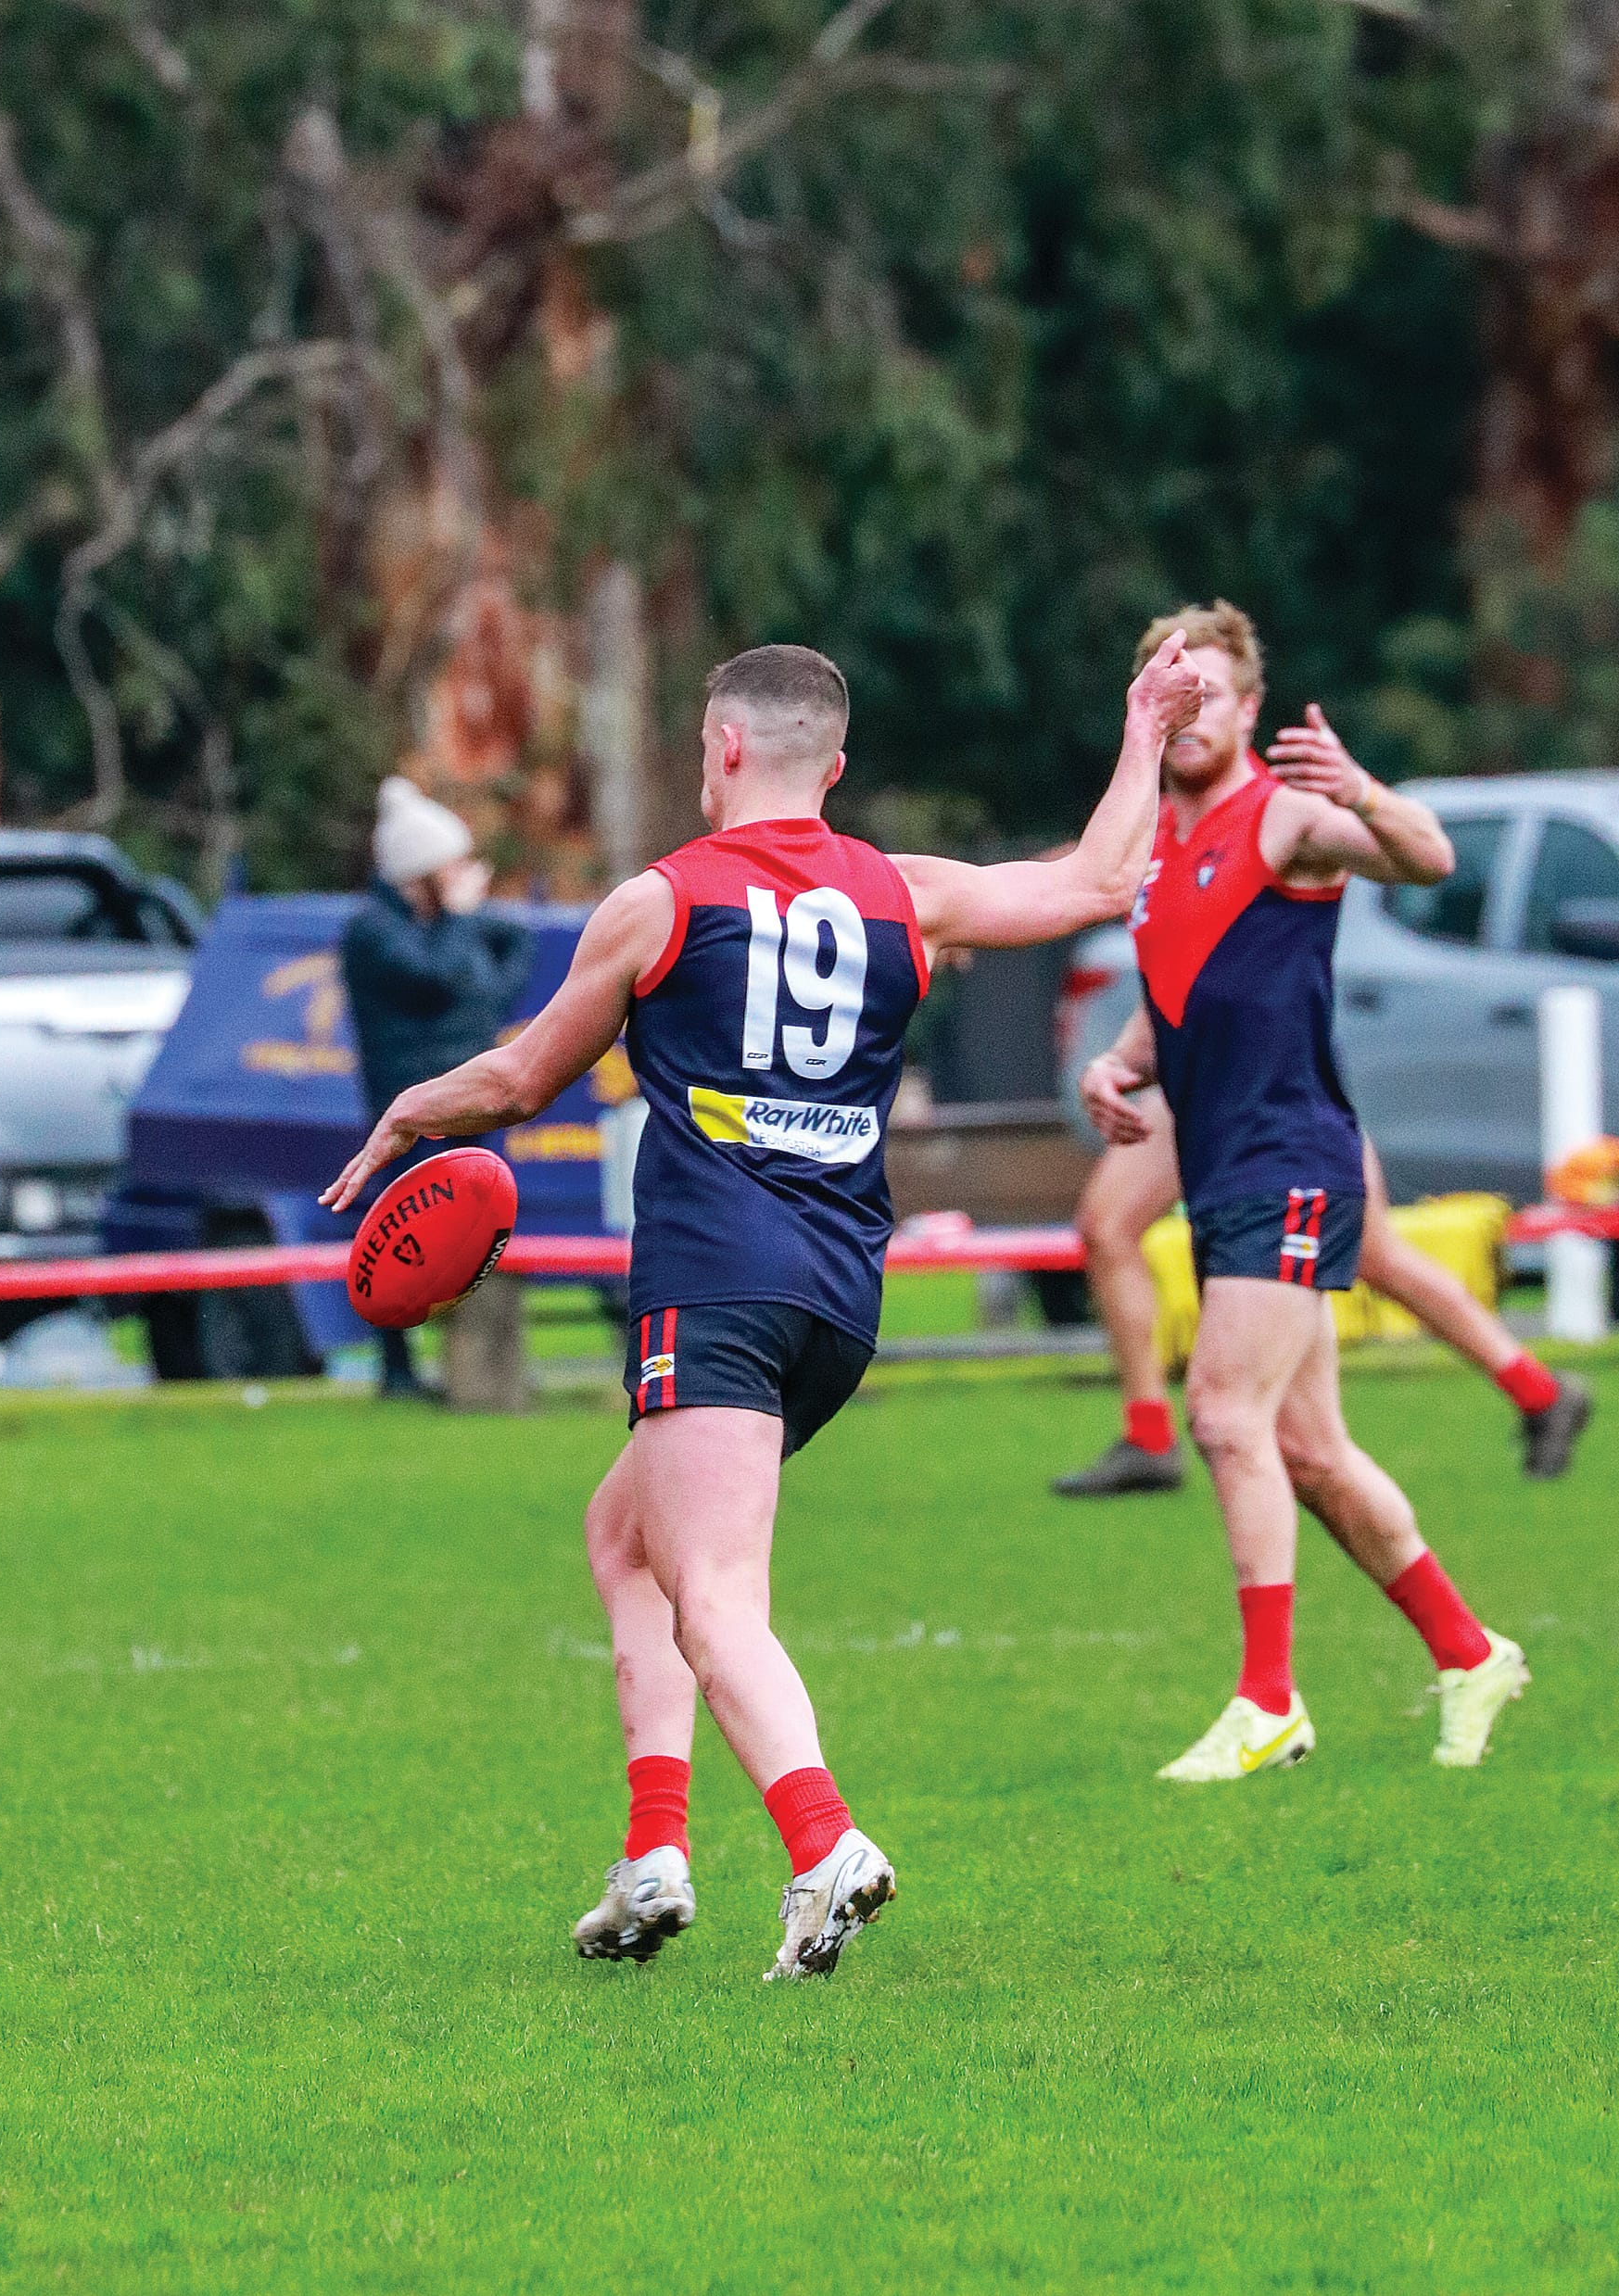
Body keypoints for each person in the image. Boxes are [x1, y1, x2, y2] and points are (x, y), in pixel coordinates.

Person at [323, 636, 1207, 1978]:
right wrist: (1141, 729)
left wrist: (406, 1111)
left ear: (723, 749)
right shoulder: (906, 891)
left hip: (714, 1277)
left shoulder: (659, 900)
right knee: (623, 1536)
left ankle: (825, 1843)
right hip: (841, 1297)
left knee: (714, 1591)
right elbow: (1100, 879)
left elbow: (516, 1082)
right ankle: (654, 1856)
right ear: (833, 768)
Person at [1077, 601, 1530, 1780]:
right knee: (1311, 1453)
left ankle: (1267, 1701)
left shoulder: (1281, 819)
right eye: (1169, 693)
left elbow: (1426, 857)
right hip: (1223, 1162)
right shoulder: (1159, 847)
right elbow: (1180, 973)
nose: (1189, 714)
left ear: (1248, 711)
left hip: (1292, 1160)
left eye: (1210, 694)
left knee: (1224, 1416)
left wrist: (1365, 791)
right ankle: (1469, 1652)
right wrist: (1118, 1063)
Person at [1052, 1114, 1592, 1495]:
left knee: (1370, 1256)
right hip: (1231, 1075)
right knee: (1108, 1228)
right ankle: (1539, 1393)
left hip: (1253, 1079)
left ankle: (1540, 1393)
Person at [339, 777, 533, 1399]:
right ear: (421, 873)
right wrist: (457, 919)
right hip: (410, 1112)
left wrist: (487, 1000)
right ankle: (397, 1371)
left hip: (473, 1107)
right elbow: (434, 976)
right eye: (450, 868)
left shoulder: (451, 925)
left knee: (477, 1234)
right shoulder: (372, 932)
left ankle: (478, 1376)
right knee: (400, 1233)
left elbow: (512, 945)